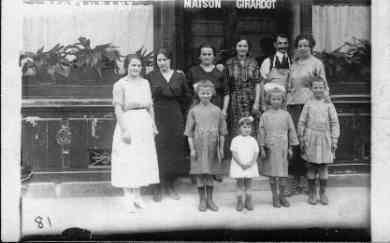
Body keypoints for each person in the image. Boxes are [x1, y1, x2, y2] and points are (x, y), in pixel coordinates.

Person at [111, 54, 159, 213]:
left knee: (141, 158)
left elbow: (150, 106)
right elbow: (118, 108)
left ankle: (138, 195)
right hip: (129, 122)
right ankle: (128, 197)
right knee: (127, 158)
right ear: (126, 66)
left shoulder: (145, 83)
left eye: (138, 66)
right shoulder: (120, 84)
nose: (136, 68)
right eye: (133, 65)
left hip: (144, 123)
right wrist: (124, 130)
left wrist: (153, 124)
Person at [146, 48, 192, 202]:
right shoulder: (151, 76)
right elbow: (147, 97)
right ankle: (158, 186)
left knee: (174, 149)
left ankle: (170, 185)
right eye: (159, 60)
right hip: (157, 115)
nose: (162, 63)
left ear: (170, 60)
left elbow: (187, 97)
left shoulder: (179, 76)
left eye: (164, 59)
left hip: (175, 114)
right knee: (159, 148)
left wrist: (182, 114)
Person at [287, 33, 329, 195]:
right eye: (299, 45)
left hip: (309, 105)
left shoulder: (317, 64)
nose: (302, 48)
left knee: (308, 143)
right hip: (293, 106)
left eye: (305, 45)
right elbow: (290, 86)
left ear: (311, 46)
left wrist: (325, 105)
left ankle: (308, 183)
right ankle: (295, 182)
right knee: (295, 143)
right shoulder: (294, 64)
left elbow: (323, 86)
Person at [186, 44, 230, 181]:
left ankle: (215, 170)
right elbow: (186, 91)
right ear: (199, 56)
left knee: (215, 139)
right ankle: (197, 170)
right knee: (198, 138)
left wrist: (224, 110)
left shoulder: (220, 71)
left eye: (209, 54)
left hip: (215, 108)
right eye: (204, 54)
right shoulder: (193, 71)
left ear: (214, 56)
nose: (206, 57)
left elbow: (227, 92)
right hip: (198, 108)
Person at [184, 80, 228, 212]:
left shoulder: (217, 110)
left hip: (212, 146)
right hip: (198, 147)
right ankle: (202, 200)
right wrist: (191, 149)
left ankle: (210, 199)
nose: (205, 95)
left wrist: (220, 148)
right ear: (198, 94)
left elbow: (222, 132)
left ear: (212, 93)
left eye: (208, 93)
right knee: (199, 173)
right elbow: (189, 133)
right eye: (202, 93)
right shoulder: (193, 111)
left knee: (209, 173)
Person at [297, 77, 340, 205]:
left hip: (325, 138)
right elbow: (302, 122)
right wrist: (302, 137)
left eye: (321, 87)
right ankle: (312, 193)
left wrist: (334, 139)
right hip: (311, 138)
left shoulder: (329, 104)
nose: (318, 90)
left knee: (323, 168)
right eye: (315, 87)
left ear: (324, 88)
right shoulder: (308, 104)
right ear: (311, 89)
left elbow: (334, 123)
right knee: (311, 168)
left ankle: (322, 193)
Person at [258, 87, 299, 208]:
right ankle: (274, 196)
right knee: (272, 175)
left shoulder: (286, 115)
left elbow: (291, 131)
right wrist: (261, 148)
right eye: (273, 99)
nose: (276, 101)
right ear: (269, 100)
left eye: (278, 99)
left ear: (282, 100)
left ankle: (282, 195)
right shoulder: (265, 115)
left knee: (282, 175)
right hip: (270, 148)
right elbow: (261, 132)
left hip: (282, 148)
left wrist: (291, 147)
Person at [225, 38, 261, 136]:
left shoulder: (253, 62)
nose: (242, 48)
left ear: (248, 48)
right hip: (235, 100)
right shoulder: (229, 63)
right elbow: (226, 85)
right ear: (236, 48)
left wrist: (257, 102)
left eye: (245, 46)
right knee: (236, 127)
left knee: (251, 126)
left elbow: (258, 83)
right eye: (240, 46)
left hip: (250, 99)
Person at [230, 116, 259, 212]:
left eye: (249, 127)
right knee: (239, 184)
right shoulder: (235, 140)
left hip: (250, 165)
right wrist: (241, 164)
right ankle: (239, 201)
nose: (247, 129)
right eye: (244, 127)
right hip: (239, 165)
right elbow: (234, 153)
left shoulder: (253, 140)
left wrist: (251, 162)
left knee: (249, 185)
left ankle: (248, 200)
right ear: (239, 128)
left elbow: (256, 152)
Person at [260, 33, 292, 111]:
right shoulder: (268, 62)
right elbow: (261, 84)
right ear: (275, 45)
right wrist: (263, 103)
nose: (283, 46)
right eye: (280, 43)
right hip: (271, 104)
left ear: (288, 44)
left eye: (285, 43)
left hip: (287, 103)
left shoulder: (293, 61)